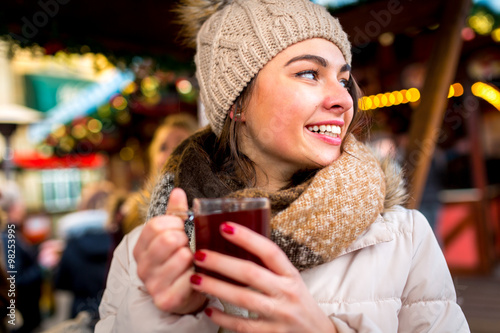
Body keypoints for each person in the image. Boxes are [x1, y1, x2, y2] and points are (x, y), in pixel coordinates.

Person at [97, 0, 470, 332]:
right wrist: (167, 316)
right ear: (236, 102)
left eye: (343, 79)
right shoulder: (140, 253)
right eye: (309, 73)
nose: (343, 98)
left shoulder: (404, 238)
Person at [54, 181, 114, 328]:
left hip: (82, 316)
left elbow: (62, 283)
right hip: (115, 314)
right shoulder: (121, 239)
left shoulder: (72, 243)